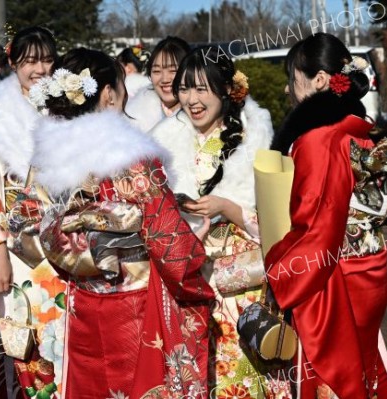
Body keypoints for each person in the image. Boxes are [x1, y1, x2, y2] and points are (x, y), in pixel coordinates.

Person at [25, 46, 214, 398]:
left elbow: (33, 222)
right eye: (121, 86)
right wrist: (198, 269)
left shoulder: (47, 158)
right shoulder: (132, 157)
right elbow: (170, 242)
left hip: (82, 299)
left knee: (92, 386)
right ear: (109, 94)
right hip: (134, 306)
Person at [267, 33, 387, 398]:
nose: (290, 90)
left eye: (293, 78)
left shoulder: (318, 137)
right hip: (368, 271)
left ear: (319, 80)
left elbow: (317, 223)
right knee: (365, 366)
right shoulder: (356, 126)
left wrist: (279, 271)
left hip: (333, 276)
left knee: (334, 379)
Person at [150, 46, 291, 398]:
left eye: (201, 89)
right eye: (185, 88)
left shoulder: (256, 137)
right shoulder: (162, 142)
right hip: (185, 278)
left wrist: (227, 206)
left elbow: (278, 222)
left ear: (226, 90)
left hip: (239, 284)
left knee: (240, 378)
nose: (191, 99)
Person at [0, 27, 65, 398]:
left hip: (63, 245)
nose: (40, 69)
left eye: (47, 60)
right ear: (13, 63)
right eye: (30, 61)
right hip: (16, 250)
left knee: (62, 340)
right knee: (19, 340)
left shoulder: (65, 107)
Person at [126, 36, 190, 132]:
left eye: (173, 70)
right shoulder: (133, 118)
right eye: (156, 71)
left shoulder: (204, 117)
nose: (164, 79)